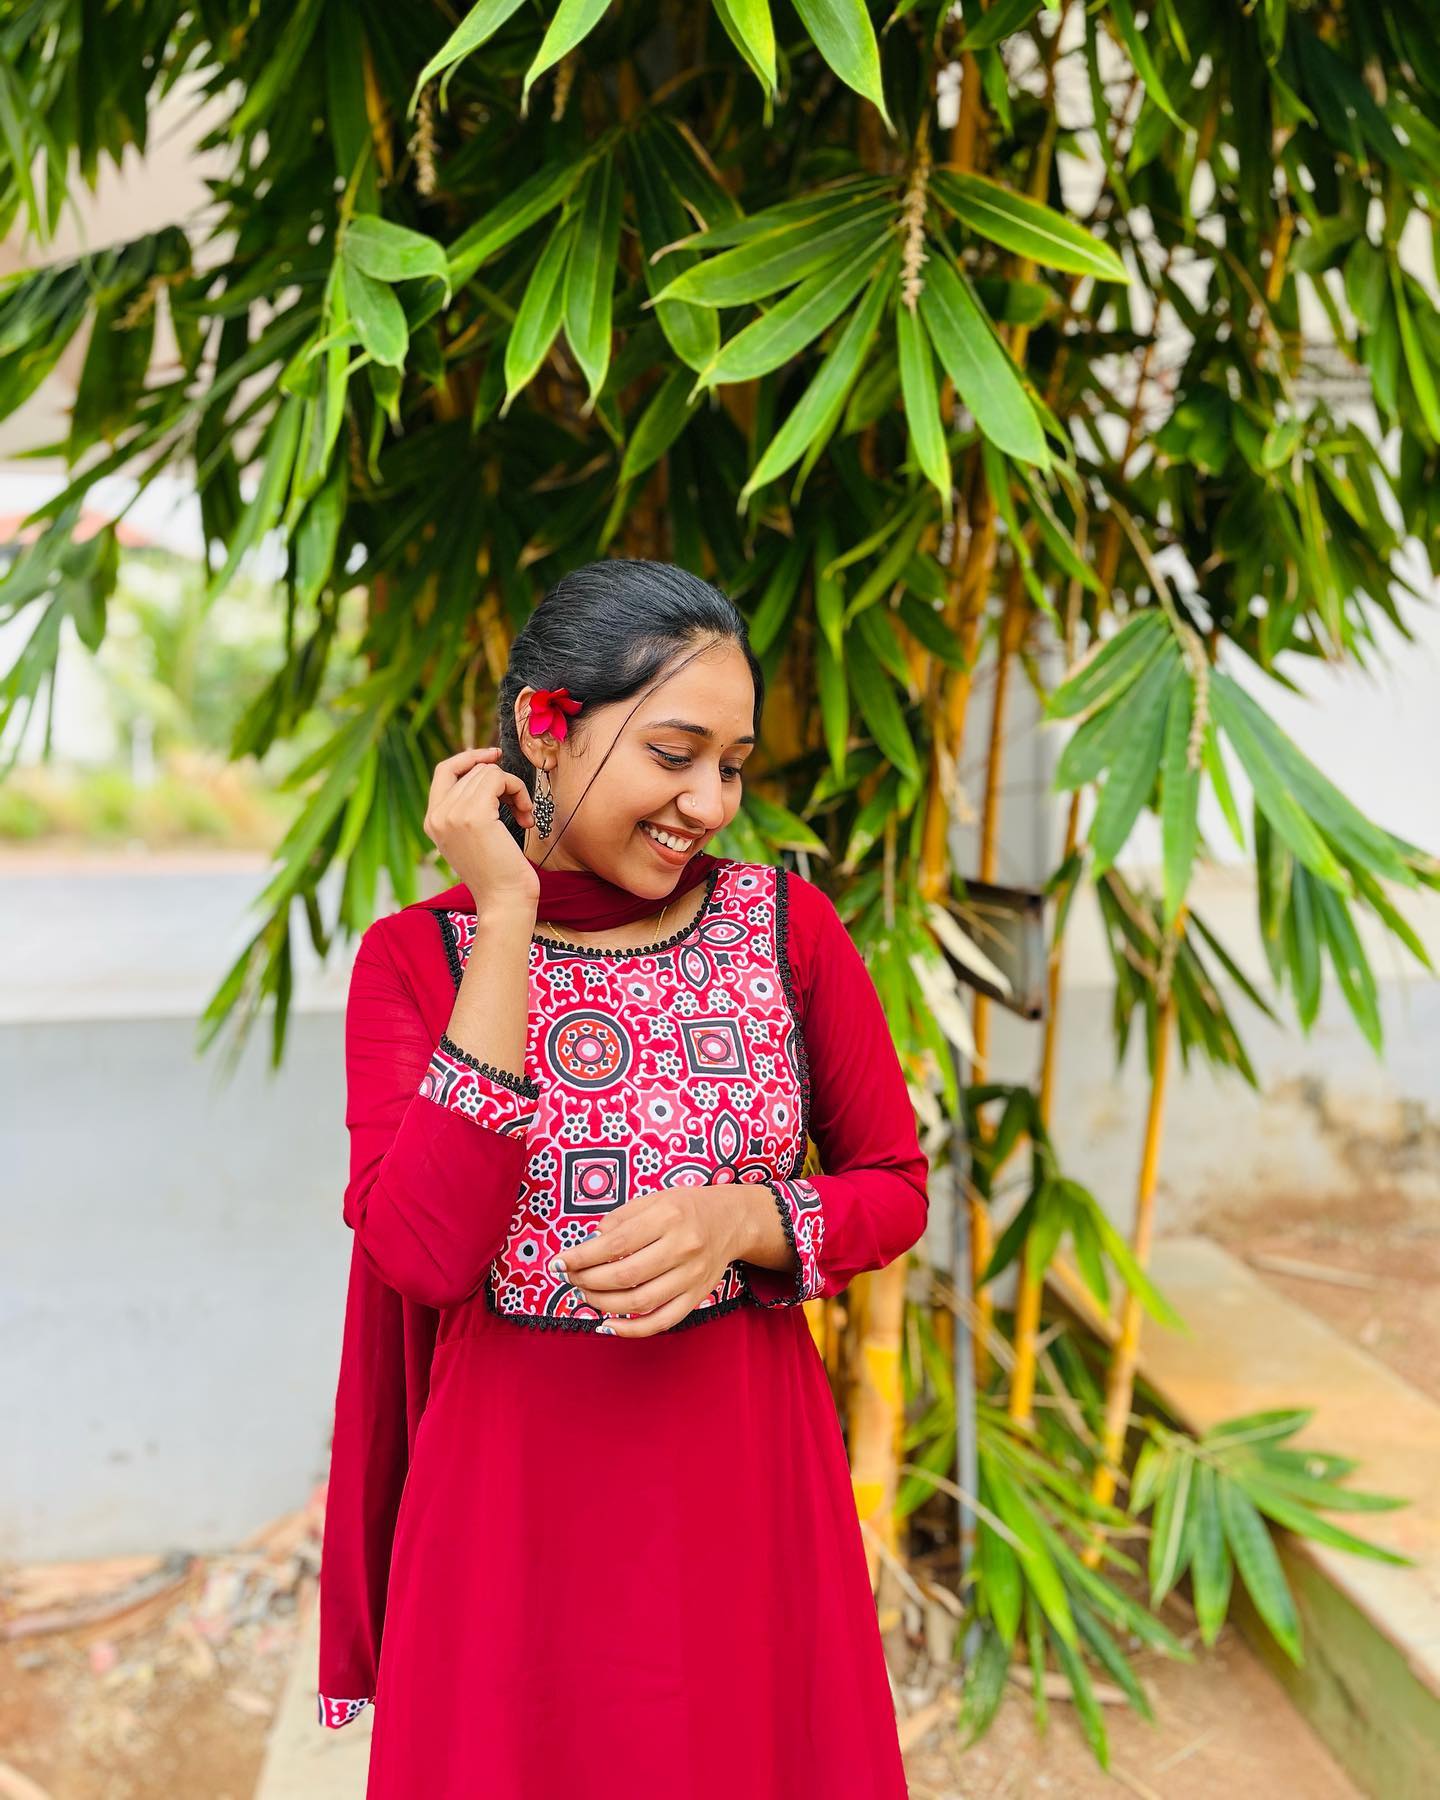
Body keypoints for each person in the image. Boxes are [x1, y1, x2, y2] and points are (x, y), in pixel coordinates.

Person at [316, 559, 931, 1798]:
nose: (711, 801)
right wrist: (504, 916)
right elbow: (426, 1253)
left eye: (736, 764)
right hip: (514, 1517)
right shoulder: (413, 961)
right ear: (547, 727)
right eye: (674, 753)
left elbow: (894, 1183)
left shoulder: (785, 930)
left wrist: (747, 1220)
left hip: (743, 1490)